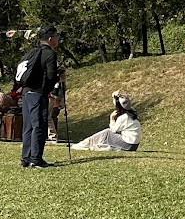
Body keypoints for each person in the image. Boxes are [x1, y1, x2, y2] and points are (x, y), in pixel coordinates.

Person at [17, 25, 62, 169]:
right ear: (50, 38)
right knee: (39, 125)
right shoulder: (49, 54)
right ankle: (36, 159)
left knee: (28, 126)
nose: (58, 39)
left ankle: (26, 158)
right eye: (57, 36)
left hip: (26, 92)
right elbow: (50, 76)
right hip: (38, 93)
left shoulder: (32, 52)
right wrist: (59, 78)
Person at [71, 91, 142, 151]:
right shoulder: (132, 112)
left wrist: (112, 118)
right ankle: (86, 143)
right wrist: (114, 96)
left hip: (128, 144)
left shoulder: (124, 117)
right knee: (107, 135)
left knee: (107, 132)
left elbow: (113, 130)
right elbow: (120, 102)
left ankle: (85, 143)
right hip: (133, 145)